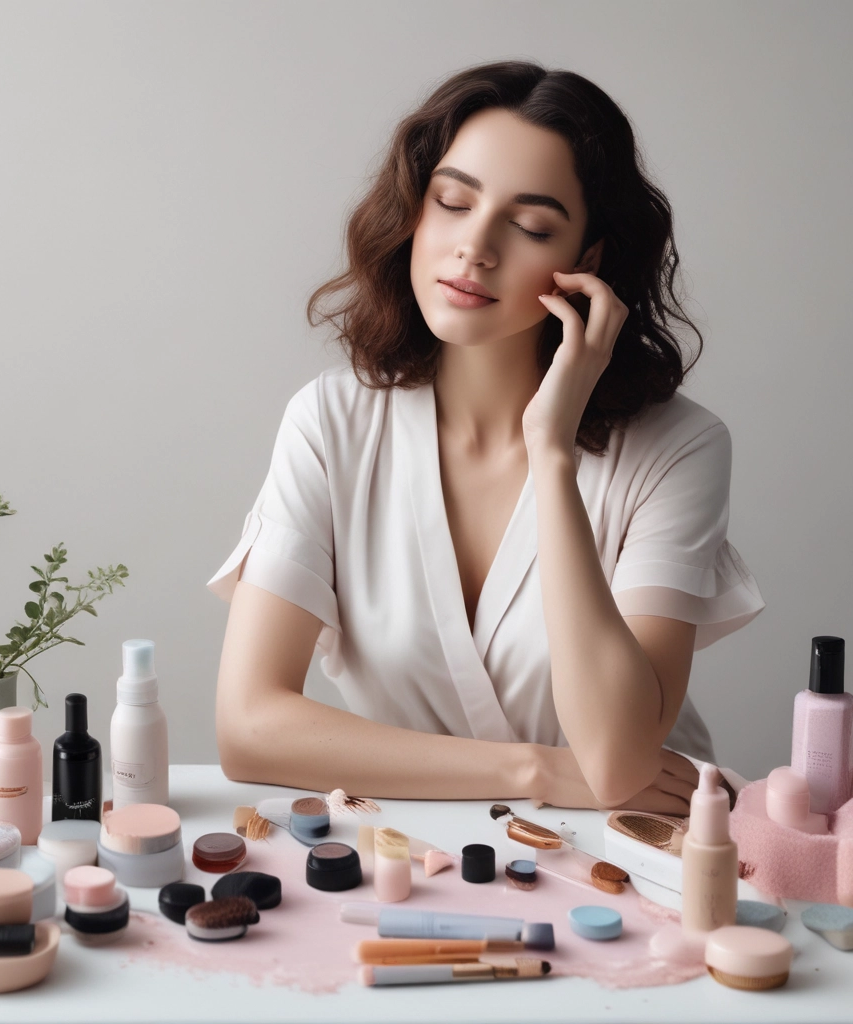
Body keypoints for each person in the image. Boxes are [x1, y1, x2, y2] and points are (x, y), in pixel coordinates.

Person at [207, 60, 765, 812]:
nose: (476, 246)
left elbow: (619, 761)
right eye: (452, 202)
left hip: (639, 854)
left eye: (531, 225)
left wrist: (553, 451)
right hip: (416, 860)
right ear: (415, 211)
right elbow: (249, 728)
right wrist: (532, 770)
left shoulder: (679, 450)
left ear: (587, 260)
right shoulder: (330, 424)